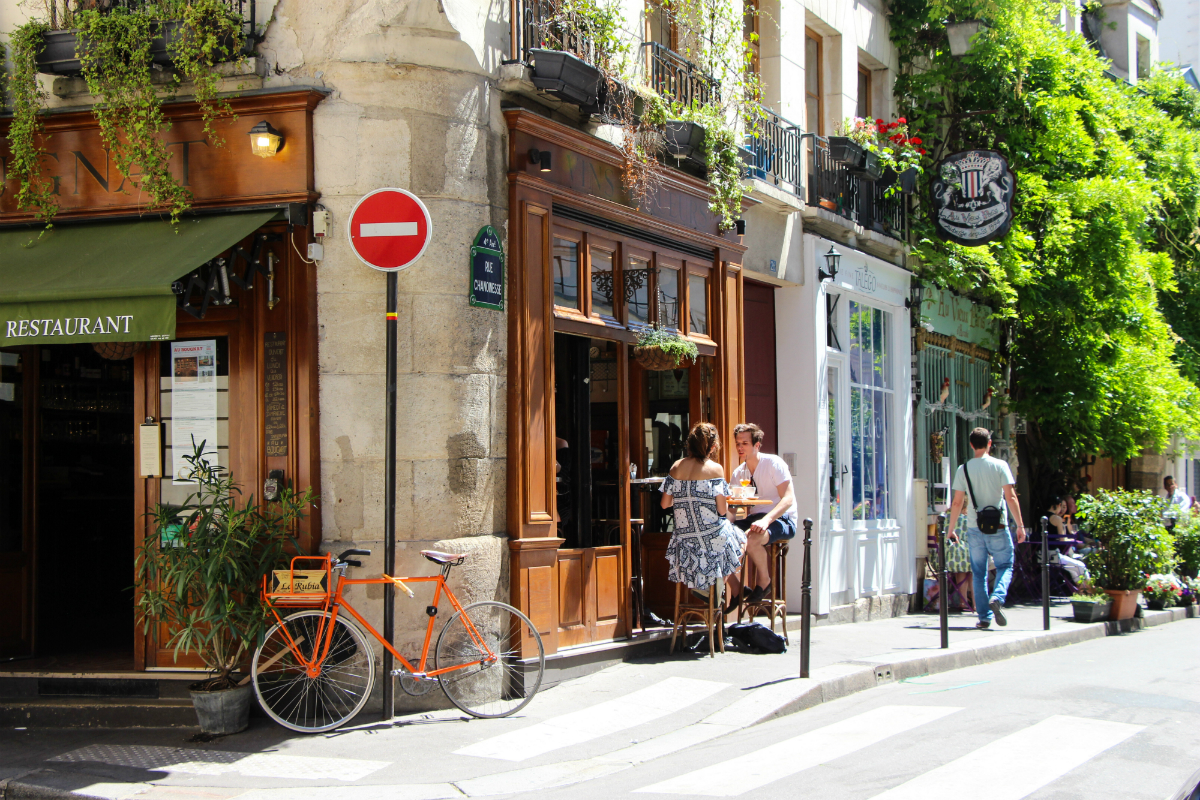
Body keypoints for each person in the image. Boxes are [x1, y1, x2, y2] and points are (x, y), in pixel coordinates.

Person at [659, 423, 747, 610]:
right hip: (709, 537)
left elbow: (665, 504)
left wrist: (685, 499)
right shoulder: (715, 469)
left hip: (684, 540)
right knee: (740, 540)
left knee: (725, 540)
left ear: (689, 445)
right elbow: (722, 510)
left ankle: (724, 589)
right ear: (713, 447)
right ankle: (715, 588)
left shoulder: (676, 467)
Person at [946, 427, 1026, 630]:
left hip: (974, 527)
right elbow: (1011, 497)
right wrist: (1020, 525)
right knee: (1005, 565)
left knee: (979, 572)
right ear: (989, 443)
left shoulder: (963, 469)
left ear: (972, 445)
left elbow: (957, 502)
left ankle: (984, 617)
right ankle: (997, 597)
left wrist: (951, 528)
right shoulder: (1000, 466)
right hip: (998, 525)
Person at [729, 423, 797, 605]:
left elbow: (788, 499)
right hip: (756, 517)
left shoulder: (773, 463)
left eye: (744, 443)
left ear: (757, 445)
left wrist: (767, 520)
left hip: (781, 518)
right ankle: (736, 588)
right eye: (737, 443)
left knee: (752, 537)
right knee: (720, 538)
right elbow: (733, 509)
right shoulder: (739, 472)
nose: (740, 448)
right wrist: (723, 526)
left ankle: (764, 582)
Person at [1047, 496, 1089, 583]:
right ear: (1058, 505)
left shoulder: (1040, 517)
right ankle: (1089, 590)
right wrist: (1073, 540)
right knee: (1081, 566)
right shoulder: (1057, 519)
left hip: (1038, 554)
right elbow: (1062, 540)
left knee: (1074, 571)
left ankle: (1081, 591)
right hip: (1053, 555)